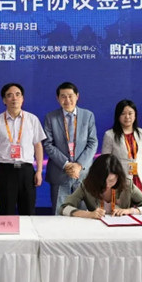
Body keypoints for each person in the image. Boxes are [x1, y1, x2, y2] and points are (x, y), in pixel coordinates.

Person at [0, 83, 46, 215]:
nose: (14, 98)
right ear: (4, 100)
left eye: (18, 95)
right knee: (6, 212)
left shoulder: (32, 119)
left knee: (28, 212)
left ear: (22, 98)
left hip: (26, 171)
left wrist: (39, 171)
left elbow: (38, 146)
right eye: (9, 95)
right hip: (5, 171)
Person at [43, 82, 98, 215]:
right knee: (60, 213)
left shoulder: (88, 115)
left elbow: (92, 142)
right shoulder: (51, 117)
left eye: (70, 96)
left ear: (77, 96)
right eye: (63, 96)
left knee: (85, 215)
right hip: (60, 172)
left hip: (83, 174)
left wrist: (79, 165)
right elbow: (48, 144)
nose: (67, 100)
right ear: (58, 98)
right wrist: (66, 164)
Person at [59, 154, 142, 218]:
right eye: (102, 181)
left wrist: (129, 211)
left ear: (118, 177)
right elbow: (64, 208)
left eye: (111, 181)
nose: (107, 185)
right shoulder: (87, 184)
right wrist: (88, 214)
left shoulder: (127, 185)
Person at [101, 99, 142, 197]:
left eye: (130, 113)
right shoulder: (110, 135)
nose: (127, 117)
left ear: (135, 115)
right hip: (120, 180)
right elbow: (106, 160)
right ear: (118, 116)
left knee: (141, 206)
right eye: (123, 114)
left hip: (140, 180)